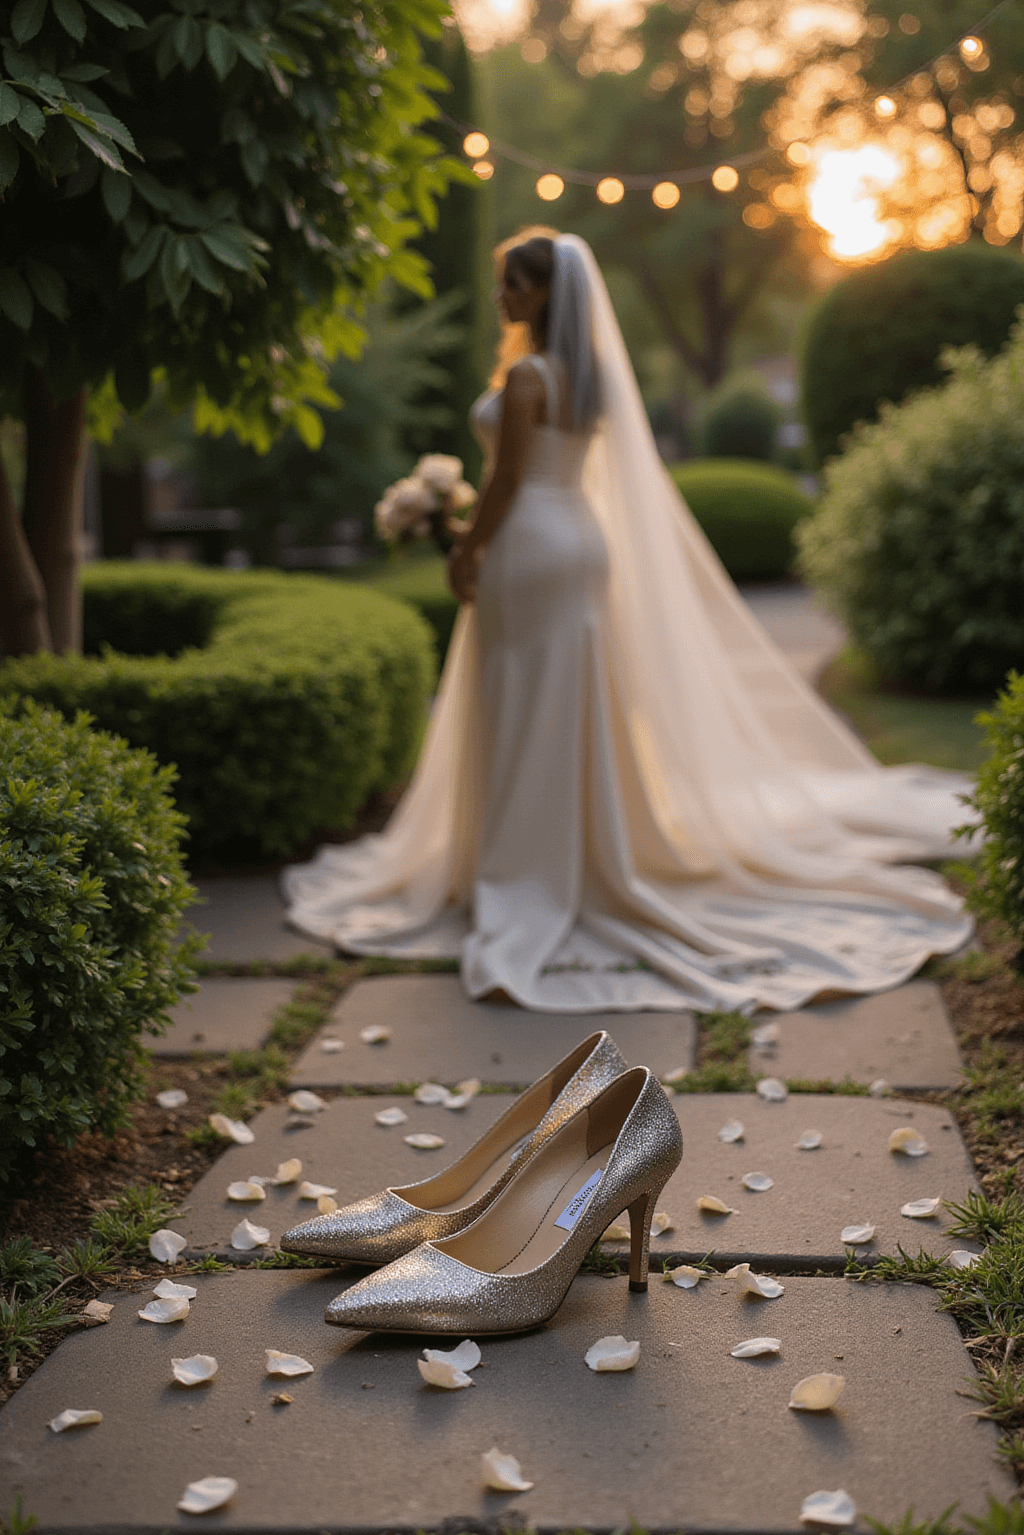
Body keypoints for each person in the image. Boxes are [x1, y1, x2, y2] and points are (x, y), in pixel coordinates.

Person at [282, 229, 971, 1012]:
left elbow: (506, 480)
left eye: (514, 284)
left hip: (528, 544)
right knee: (568, 701)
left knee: (520, 702)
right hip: (578, 539)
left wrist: (463, 547)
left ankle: (524, 864)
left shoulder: (530, 376)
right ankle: (574, 851)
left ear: (547, 293)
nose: (503, 297)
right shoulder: (589, 375)